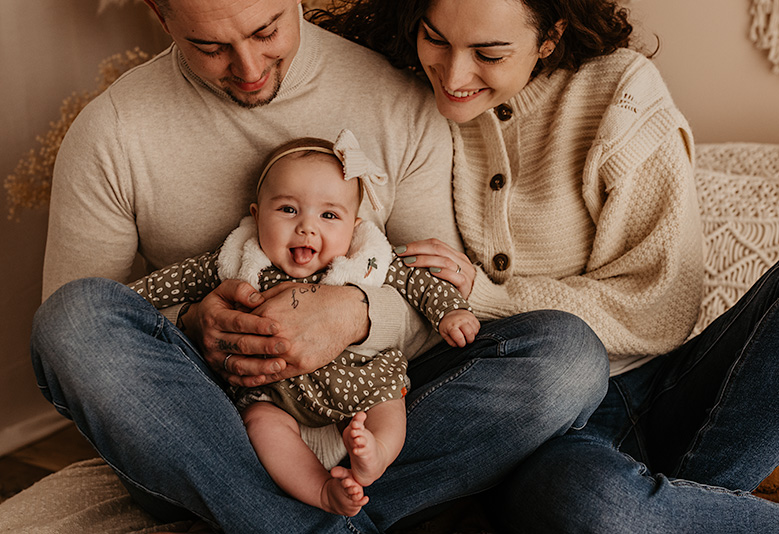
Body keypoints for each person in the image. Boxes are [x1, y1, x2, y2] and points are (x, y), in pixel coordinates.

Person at [30, 0, 609, 532]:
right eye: (211, 48)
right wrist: (192, 323)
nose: (250, 67)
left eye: (267, 31)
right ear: (161, 15)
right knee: (72, 316)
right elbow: (81, 345)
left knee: (567, 357)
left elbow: (430, 286)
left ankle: (280, 518)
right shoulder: (111, 133)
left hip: (374, 398)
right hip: (226, 420)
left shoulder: (397, 97)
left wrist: (355, 314)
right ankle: (308, 515)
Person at [312, 0, 779, 531]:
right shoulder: (398, 97)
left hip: (664, 386)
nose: (453, 75)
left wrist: (488, 294)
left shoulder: (622, 94)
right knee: (595, 506)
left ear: (550, 36)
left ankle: (674, 511)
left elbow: (659, 306)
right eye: (435, 38)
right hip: (543, 431)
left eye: (489, 53)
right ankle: (685, 511)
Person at [128, 129, 480, 517]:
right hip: (276, 391)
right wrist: (124, 306)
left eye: (329, 215)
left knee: (388, 402)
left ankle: (374, 454)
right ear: (256, 215)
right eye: (288, 210)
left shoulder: (366, 260)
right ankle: (320, 490)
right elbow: (170, 282)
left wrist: (451, 311)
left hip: (360, 377)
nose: (307, 227)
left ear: (354, 226)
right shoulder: (237, 261)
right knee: (261, 424)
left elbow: (417, 281)